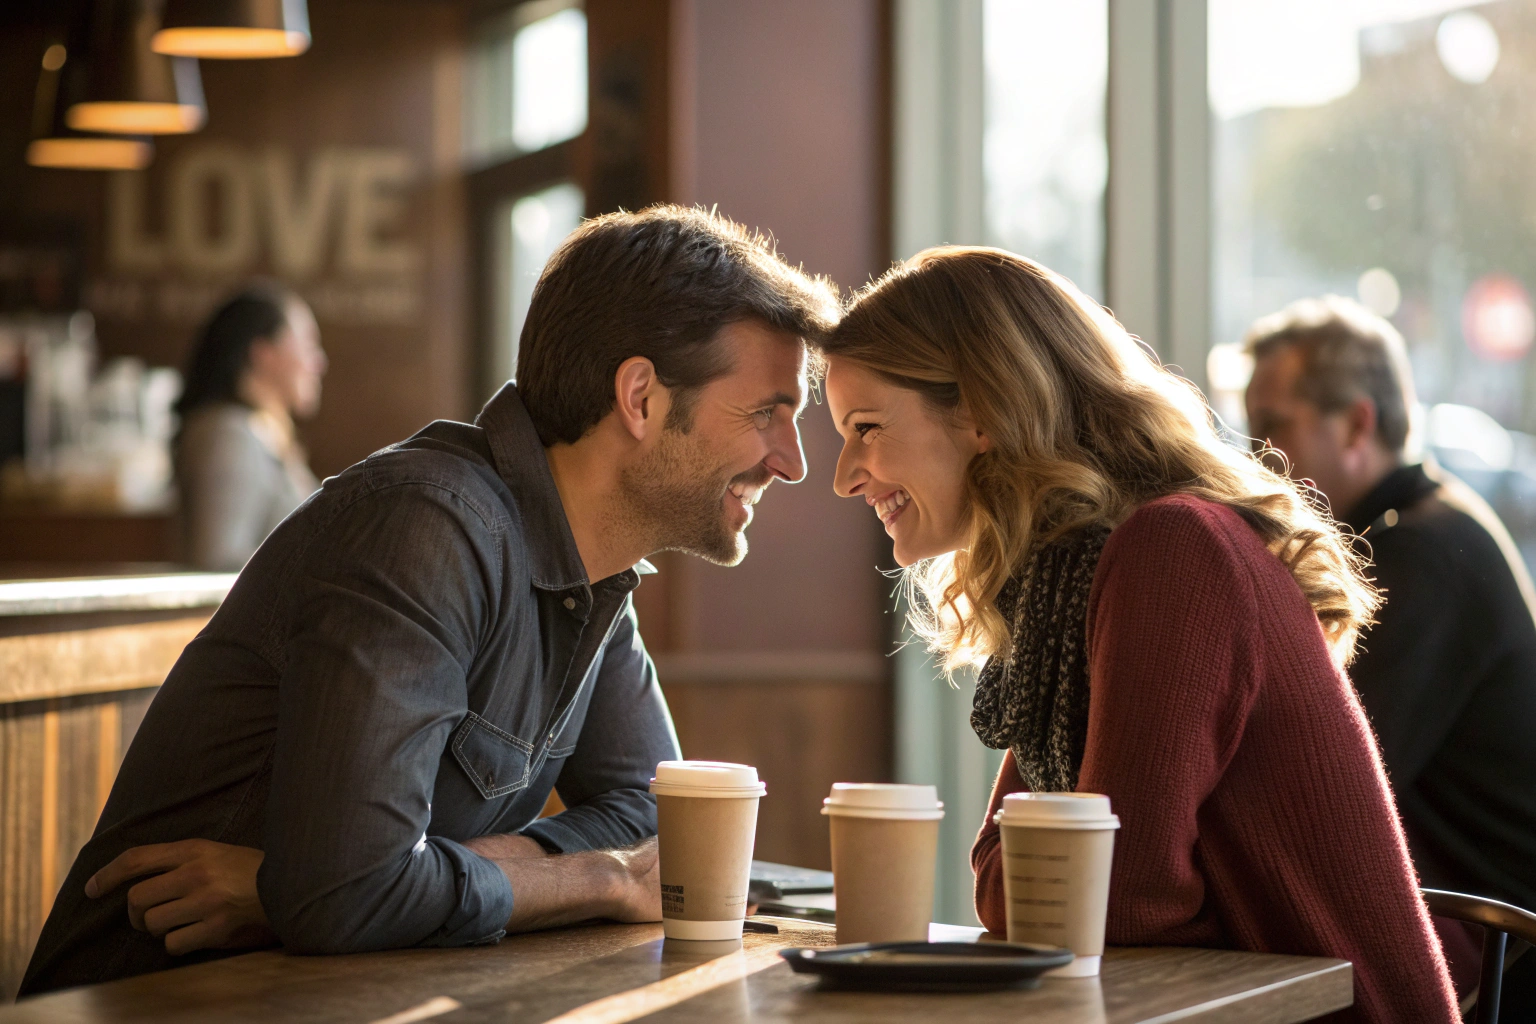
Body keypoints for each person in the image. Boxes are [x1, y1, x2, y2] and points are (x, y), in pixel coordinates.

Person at [20, 206, 839, 995]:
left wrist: (351, 882)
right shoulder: (426, 529)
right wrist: (588, 876)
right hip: (157, 1003)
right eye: (768, 413)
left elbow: (664, 835)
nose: (793, 462)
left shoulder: (598, 575)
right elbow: (348, 892)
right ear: (641, 399)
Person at [819, 247, 1459, 1024]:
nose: (845, 474)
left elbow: (1112, 899)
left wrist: (1091, 892)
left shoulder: (1173, 550)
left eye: (867, 428)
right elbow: (1007, 880)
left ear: (982, 411)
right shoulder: (1067, 583)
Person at [1244, 296, 1536, 1015]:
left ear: (1356, 424)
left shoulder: (1417, 555)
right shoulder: (1425, 527)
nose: (1255, 458)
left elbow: (1319, 782)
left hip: (1497, 952)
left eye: (1272, 427)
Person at [174, 284, 327, 571]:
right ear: (263, 353)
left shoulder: (263, 432)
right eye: (307, 344)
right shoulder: (228, 436)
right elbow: (218, 565)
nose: (319, 362)